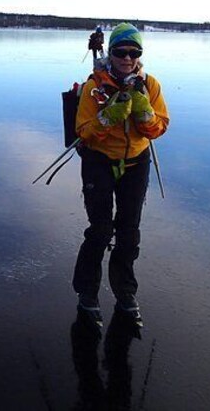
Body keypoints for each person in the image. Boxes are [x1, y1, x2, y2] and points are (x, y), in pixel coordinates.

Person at [72, 22, 169, 329]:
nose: (127, 58)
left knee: (129, 232)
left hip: (136, 163)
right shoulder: (95, 87)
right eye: (121, 51)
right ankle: (87, 293)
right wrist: (108, 117)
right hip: (99, 161)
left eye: (134, 52)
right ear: (110, 52)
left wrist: (145, 114)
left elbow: (160, 127)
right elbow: (83, 132)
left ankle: (125, 293)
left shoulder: (150, 85)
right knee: (100, 230)